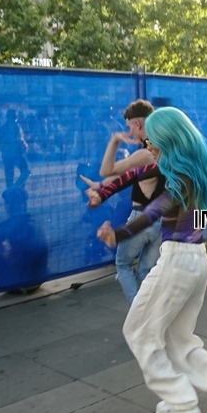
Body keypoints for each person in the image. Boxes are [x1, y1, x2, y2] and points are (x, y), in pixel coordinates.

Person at [86, 107, 207, 413]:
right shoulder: (189, 171)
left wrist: (118, 234)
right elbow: (129, 177)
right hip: (195, 259)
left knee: (138, 331)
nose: (148, 146)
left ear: (169, 140)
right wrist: (102, 192)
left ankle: (180, 402)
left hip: (178, 261)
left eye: (152, 140)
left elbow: (154, 211)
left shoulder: (180, 178)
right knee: (178, 341)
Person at [81, 99, 164, 305]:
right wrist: (100, 186)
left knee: (123, 264)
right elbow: (128, 175)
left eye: (129, 127)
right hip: (161, 221)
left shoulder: (145, 154)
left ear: (137, 124)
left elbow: (106, 170)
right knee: (145, 271)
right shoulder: (162, 150)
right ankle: (151, 314)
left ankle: (139, 314)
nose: (129, 132)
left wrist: (115, 140)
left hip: (141, 218)